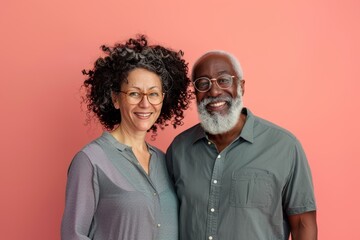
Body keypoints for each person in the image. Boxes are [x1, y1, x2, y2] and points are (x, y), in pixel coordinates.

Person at [166, 50, 317, 240]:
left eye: (224, 80)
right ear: (195, 93)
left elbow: (303, 222)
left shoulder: (284, 146)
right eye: (203, 83)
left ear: (241, 86)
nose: (214, 91)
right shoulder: (179, 149)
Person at [61, 35, 192, 240]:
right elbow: (73, 235)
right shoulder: (90, 161)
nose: (145, 103)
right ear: (115, 98)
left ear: (163, 99)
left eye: (153, 94)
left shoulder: (165, 160)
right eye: (134, 93)